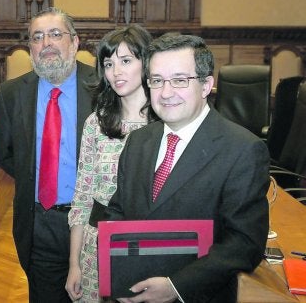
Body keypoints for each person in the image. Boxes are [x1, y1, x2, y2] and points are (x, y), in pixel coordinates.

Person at [90, 33, 270, 303]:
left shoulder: (243, 150)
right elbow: (118, 210)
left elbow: (244, 244)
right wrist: (118, 274)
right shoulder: (138, 141)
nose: (166, 93)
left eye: (180, 80)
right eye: (157, 80)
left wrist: (177, 286)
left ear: (207, 85)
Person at [0, 7, 95, 302]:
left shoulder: (102, 87)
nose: (46, 43)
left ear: (74, 43)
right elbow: (4, 152)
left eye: (55, 34)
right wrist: (37, 178)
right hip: (41, 222)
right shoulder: (12, 93)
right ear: (30, 49)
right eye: (37, 37)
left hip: (93, 222)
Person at [65, 25, 158, 302]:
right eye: (109, 63)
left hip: (150, 245)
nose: (116, 71)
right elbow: (82, 197)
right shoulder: (97, 122)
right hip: (97, 244)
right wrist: (74, 264)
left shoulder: (165, 123)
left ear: (146, 63)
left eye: (126, 61)